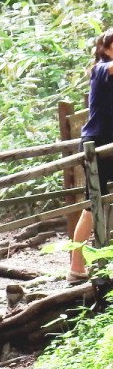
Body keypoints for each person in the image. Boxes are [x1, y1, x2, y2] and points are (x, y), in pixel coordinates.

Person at [69, 29, 113, 284]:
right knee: (90, 204)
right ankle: (76, 267)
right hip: (95, 144)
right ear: (106, 49)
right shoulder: (100, 70)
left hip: (109, 144)